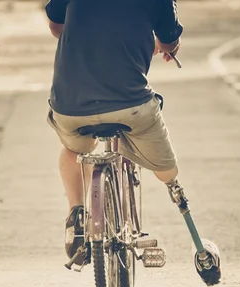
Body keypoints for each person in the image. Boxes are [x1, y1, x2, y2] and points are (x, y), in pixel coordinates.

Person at [44, 0, 184, 264]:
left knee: (74, 150)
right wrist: (160, 46)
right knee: (166, 170)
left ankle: (77, 213)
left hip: (71, 104)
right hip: (131, 106)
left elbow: (55, 25)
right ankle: (172, 187)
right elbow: (169, 40)